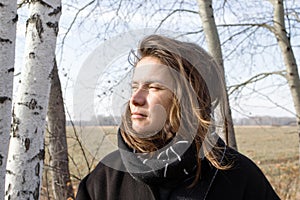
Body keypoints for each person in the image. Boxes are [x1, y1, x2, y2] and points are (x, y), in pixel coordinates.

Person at [75, 35, 280, 200]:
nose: (135, 99)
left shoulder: (236, 176)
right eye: (134, 87)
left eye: (153, 87)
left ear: (189, 100)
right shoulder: (106, 178)